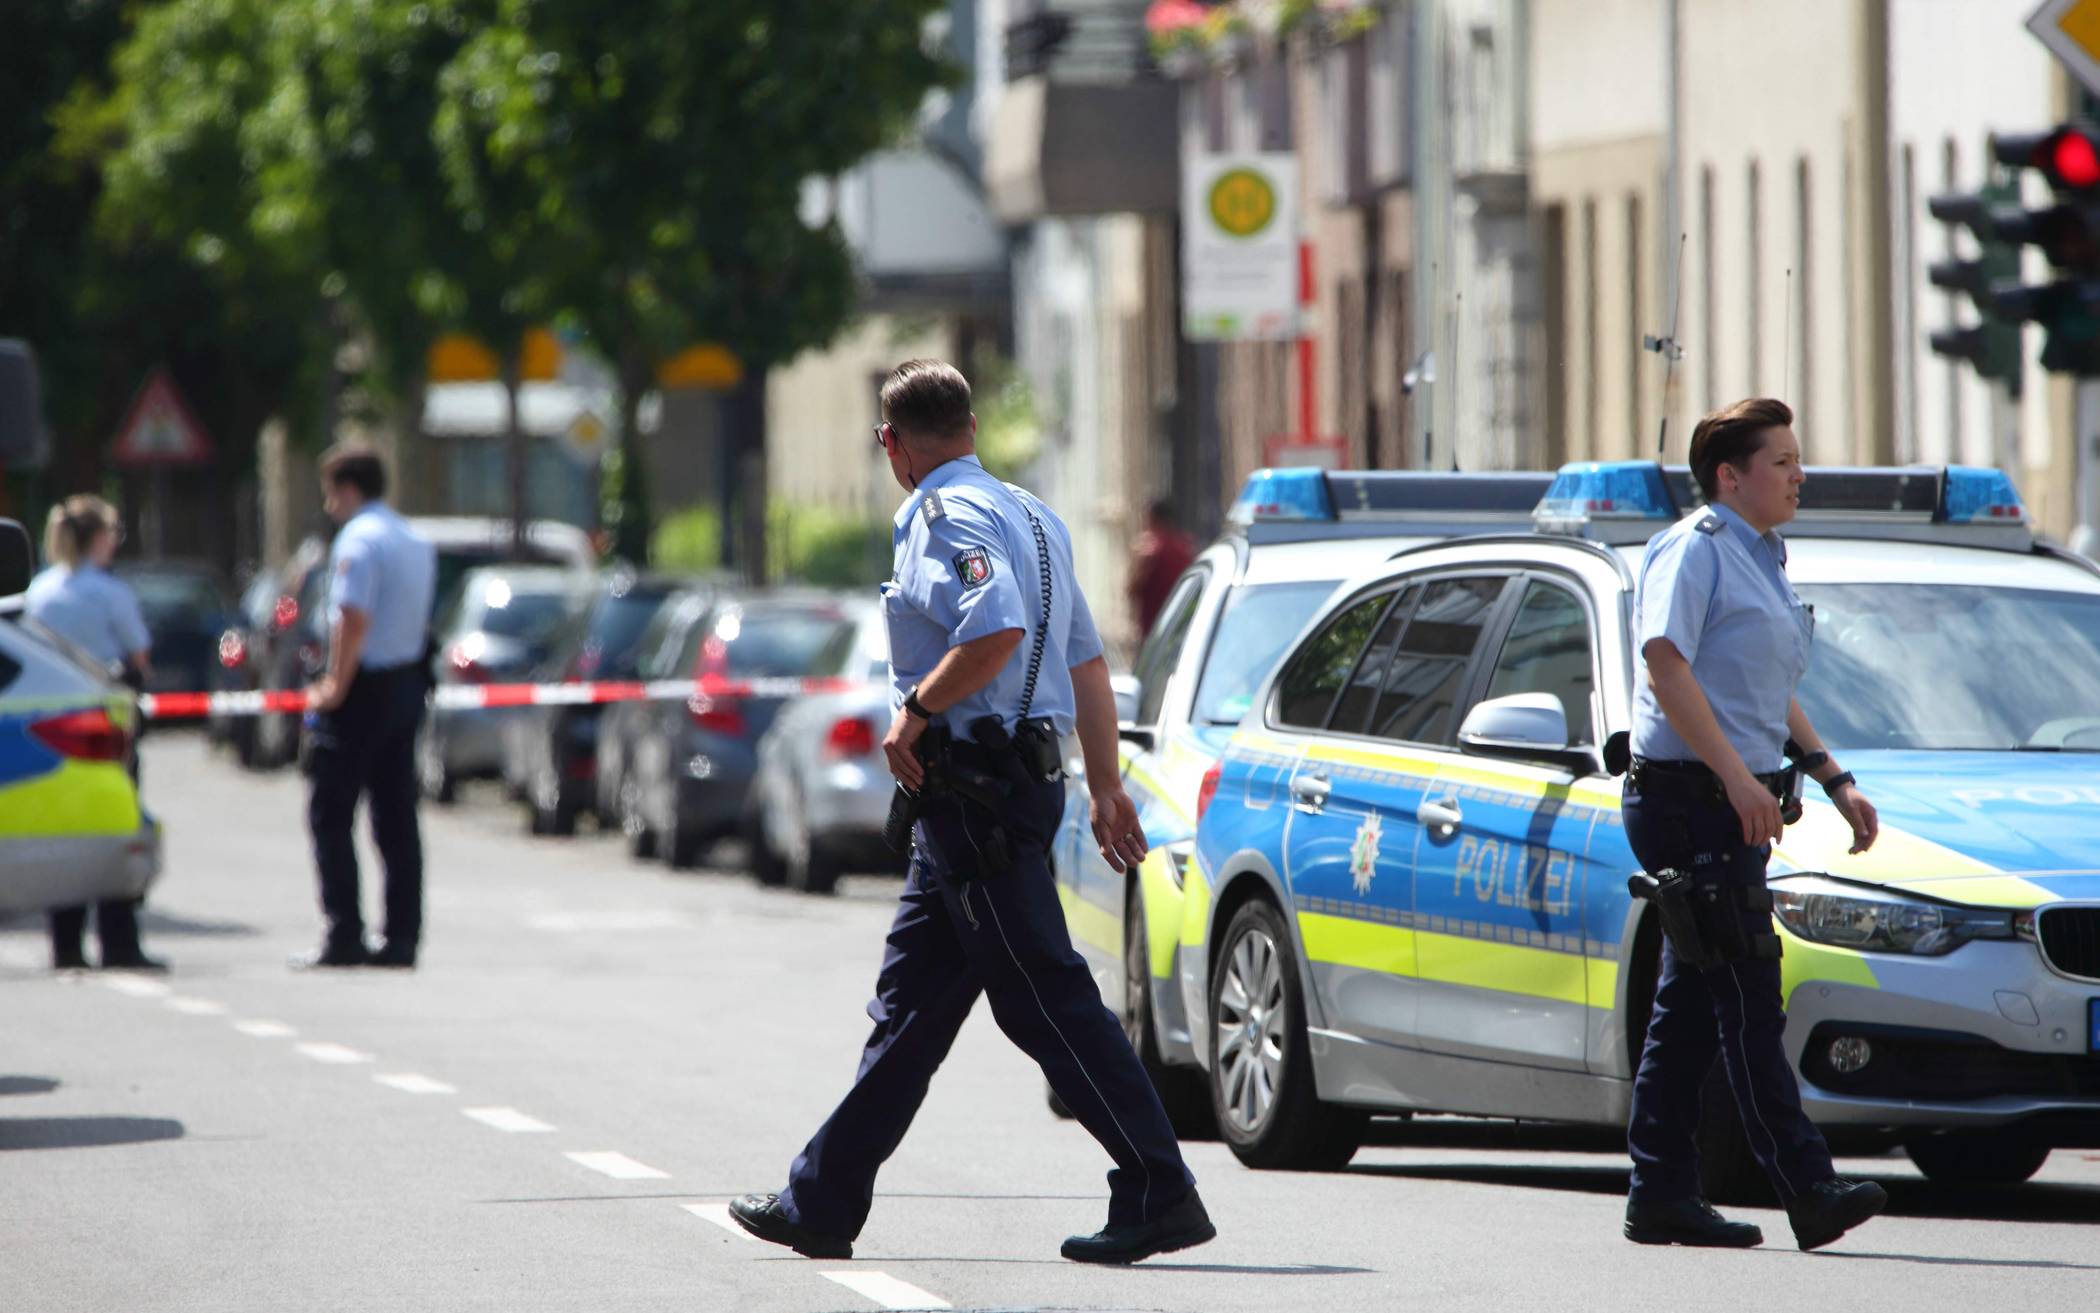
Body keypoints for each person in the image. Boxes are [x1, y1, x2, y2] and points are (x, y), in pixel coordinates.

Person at [730, 360, 1214, 1265]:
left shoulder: (939, 516)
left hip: (974, 792)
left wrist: (915, 710)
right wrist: (1105, 784)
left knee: (1045, 998)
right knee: (907, 1009)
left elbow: (992, 632)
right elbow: (1085, 665)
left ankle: (1160, 1185)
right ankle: (822, 1199)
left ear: (893, 444)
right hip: (997, 789)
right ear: (973, 424)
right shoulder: (1033, 516)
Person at [1621, 398, 1888, 1252]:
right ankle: (1808, 1188)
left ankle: (1659, 1191)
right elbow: (1667, 663)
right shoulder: (1694, 548)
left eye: (1797, 459)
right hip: (1688, 797)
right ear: (1730, 477)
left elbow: (1766, 691)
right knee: (1746, 987)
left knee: (1693, 1003)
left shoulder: (1764, 555)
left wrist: (1831, 777)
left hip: (1731, 792)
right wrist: (1739, 778)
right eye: (1782, 461)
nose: (1799, 474)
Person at [295, 444, 436, 970]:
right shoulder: (412, 538)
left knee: (330, 813)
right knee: (397, 817)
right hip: (406, 684)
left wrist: (334, 684)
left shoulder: (358, 540)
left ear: (348, 489)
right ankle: (402, 937)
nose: (331, 506)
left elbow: (352, 619)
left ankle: (344, 934)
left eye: (332, 494)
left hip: (364, 689)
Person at [26, 495, 162, 972]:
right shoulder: (108, 593)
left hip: (51, 723)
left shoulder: (41, 590)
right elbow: (139, 654)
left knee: (65, 827)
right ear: (97, 538)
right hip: (107, 726)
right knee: (117, 826)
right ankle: (119, 941)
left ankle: (66, 944)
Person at [1126, 498, 1196, 640]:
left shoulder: (1148, 550)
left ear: (1151, 519)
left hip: (1155, 633)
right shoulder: (1185, 547)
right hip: (1182, 629)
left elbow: (1132, 589)